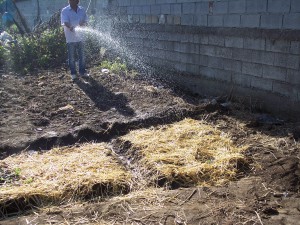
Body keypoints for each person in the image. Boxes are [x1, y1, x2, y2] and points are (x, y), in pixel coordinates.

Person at [61, 0, 89, 81]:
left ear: (77, 1)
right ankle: (73, 73)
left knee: (82, 56)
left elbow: (86, 21)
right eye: (71, 0)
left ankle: (82, 72)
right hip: (71, 38)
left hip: (81, 37)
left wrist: (83, 23)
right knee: (71, 57)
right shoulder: (65, 11)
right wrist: (71, 27)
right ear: (69, 1)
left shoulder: (82, 10)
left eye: (74, 0)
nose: (72, 1)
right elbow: (65, 22)